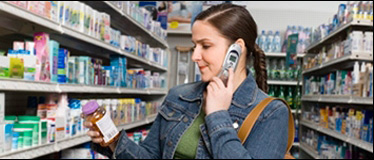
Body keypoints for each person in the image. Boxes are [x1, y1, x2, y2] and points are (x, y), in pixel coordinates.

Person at [84, 3, 289, 159]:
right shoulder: (180, 96)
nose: (195, 56)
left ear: (236, 50)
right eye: (194, 46)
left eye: (205, 46)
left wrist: (217, 115)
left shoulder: (270, 114)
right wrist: (114, 142)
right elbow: (149, 155)